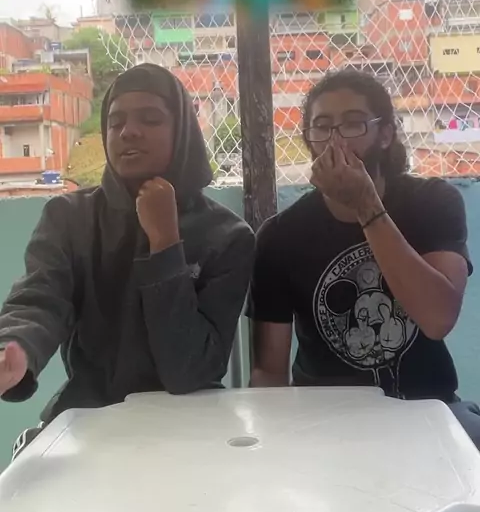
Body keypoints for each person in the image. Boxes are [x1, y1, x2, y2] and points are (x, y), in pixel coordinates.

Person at [0, 64, 254, 457]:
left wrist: (165, 243)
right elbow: (41, 297)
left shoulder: (227, 237)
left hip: (190, 432)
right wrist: (16, 346)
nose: (128, 132)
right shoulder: (70, 218)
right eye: (115, 121)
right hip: (92, 421)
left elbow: (189, 370)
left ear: (182, 131)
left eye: (150, 119)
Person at [248, 68, 480, 447]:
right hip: (327, 420)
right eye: (322, 126)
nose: (336, 139)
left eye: (353, 124)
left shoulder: (432, 202)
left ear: (385, 134)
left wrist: (366, 207)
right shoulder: (279, 236)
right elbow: (268, 372)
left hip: (428, 408)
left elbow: (438, 319)